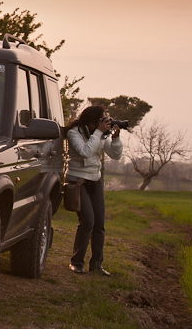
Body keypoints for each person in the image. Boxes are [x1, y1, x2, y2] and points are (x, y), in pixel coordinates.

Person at [65, 105, 122, 276]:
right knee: (87, 221)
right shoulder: (74, 132)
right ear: (93, 121)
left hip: (95, 180)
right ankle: (76, 262)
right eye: (102, 119)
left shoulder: (100, 135)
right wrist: (98, 132)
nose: (106, 122)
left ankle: (96, 264)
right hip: (78, 181)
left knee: (99, 224)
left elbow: (115, 155)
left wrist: (116, 139)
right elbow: (85, 152)